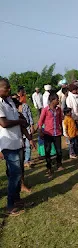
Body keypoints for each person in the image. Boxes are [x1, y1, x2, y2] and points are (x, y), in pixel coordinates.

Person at [0, 78, 34, 215]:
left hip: (18, 142)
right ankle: (9, 205)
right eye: (6, 88)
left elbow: (17, 119)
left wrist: (21, 121)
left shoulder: (9, 102)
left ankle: (17, 199)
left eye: (9, 87)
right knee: (15, 175)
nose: (9, 90)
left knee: (18, 172)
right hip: (8, 144)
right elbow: (3, 123)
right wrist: (19, 120)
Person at [38, 92, 64, 178]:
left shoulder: (59, 109)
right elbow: (40, 121)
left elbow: (60, 120)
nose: (58, 101)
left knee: (59, 151)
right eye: (57, 99)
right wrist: (40, 131)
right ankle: (49, 167)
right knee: (48, 151)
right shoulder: (45, 110)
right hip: (48, 133)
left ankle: (59, 164)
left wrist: (62, 129)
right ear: (52, 100)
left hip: (57, 133)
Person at [17, 97, 35, 168]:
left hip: (27, 128)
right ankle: (23, 160)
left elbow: (30, 116)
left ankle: (27, 160)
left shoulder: (25, 106)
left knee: (28, 145)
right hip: (18, 130)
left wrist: (32, 125)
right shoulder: (12, 109)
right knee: (21, 146)